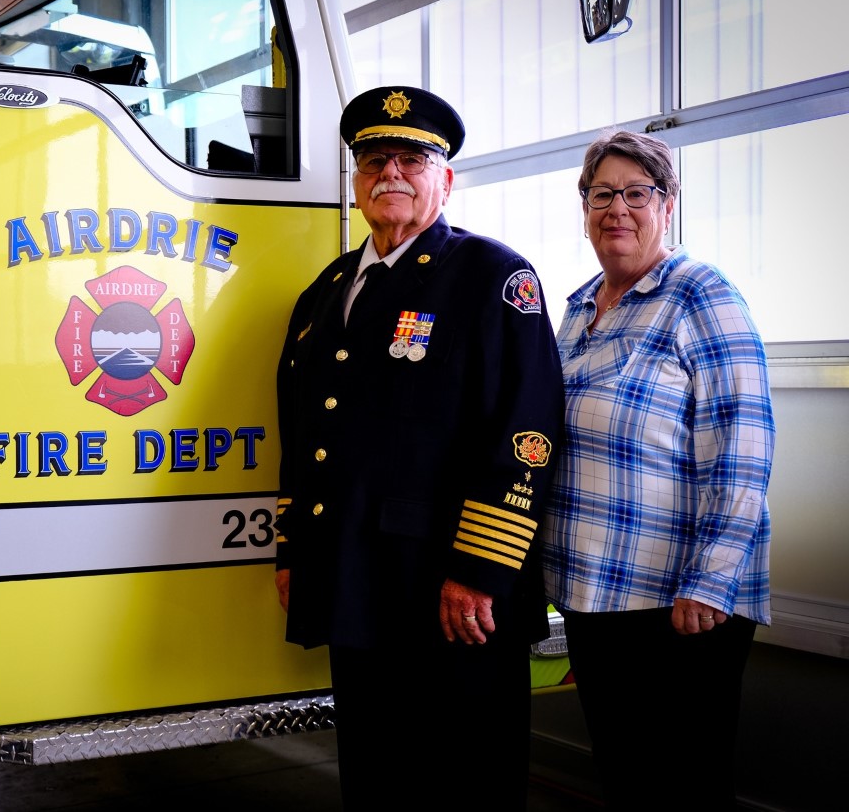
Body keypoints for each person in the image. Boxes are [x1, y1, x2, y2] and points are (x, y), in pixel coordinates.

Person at [273, 85, 565, 809]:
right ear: (356, 180)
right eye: (374, 161)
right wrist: (294, 550)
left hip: (451, 590)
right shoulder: (326, 292)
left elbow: (526, 433)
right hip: (353, 577)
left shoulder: (493, 277)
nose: (391, 174)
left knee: (466, 780)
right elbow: (303, 432)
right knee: (376, 774)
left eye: (412, 159)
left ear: (446, 179)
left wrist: (480, 569)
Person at [541, 128, 776, 811]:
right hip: (593, 594)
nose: (617, 208)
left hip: (678, 604)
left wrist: (709, 582)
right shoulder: (578, 307)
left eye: (636, 193)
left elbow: (743, 448)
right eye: (601, 194)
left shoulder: (701, 295)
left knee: (683, 787)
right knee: (627, 777)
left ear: (667, 204)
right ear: (585, 209)